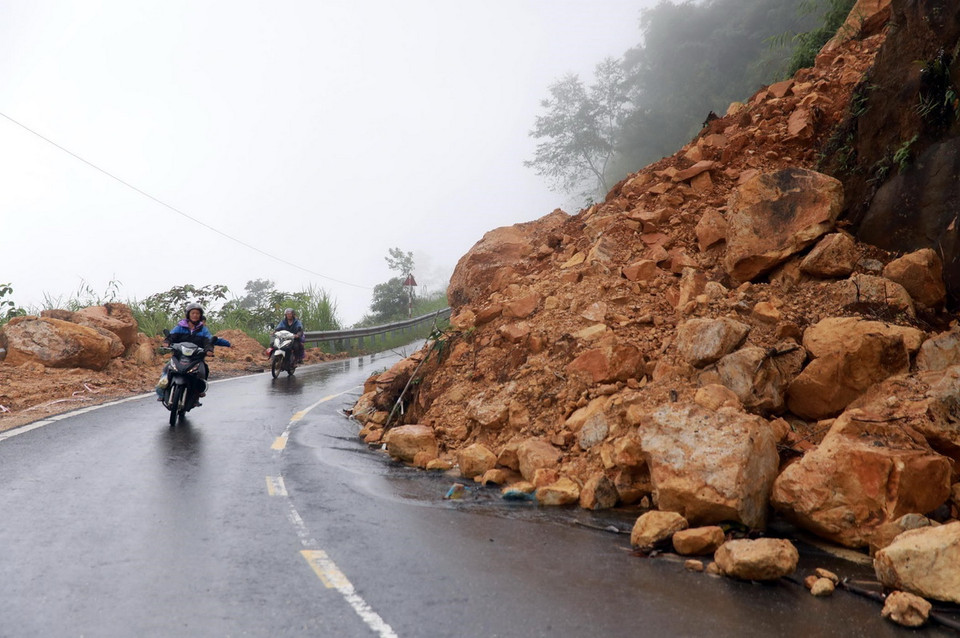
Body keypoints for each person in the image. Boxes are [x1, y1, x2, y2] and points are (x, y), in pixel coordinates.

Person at [161, 302, 214, 395]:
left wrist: (209, 350)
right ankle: (161, 391)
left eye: (197, 313)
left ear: (200, 315)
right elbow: (172, 336)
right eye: (193, 313)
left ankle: (198, 393)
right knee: (166, 368)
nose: (195, 315)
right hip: (179, 355)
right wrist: (167, 342)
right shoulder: (180, 326)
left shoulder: (203, 329)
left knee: (204, 369)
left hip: (196, 357)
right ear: (188, 314)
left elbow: (208, 341)